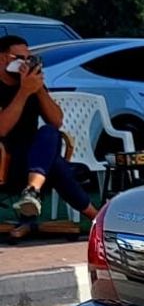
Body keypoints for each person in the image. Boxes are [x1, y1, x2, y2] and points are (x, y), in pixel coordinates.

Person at [0, 34, 97, 221]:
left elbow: (56, 120)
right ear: (3, 58)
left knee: (49, 132)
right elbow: (2, 130)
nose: (25, 63)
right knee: (56, 165)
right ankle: (95, 216)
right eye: (19, 58)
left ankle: (32, 191)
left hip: (34, 156)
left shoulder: (30, 83)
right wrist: (24, 92)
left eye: (29, 58)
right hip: (6, 159)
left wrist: (38, 89)